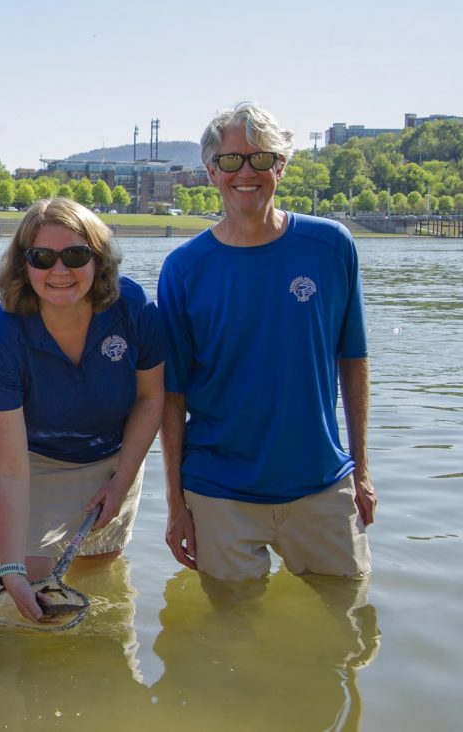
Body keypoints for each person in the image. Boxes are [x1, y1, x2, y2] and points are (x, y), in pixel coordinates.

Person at [157, 102, 375, 582]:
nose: (246, 172)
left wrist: (361, 470)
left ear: (281, 165)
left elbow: (353, 359)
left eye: (261, 158)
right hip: (219, 492)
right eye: (231, 161)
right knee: (228, 640)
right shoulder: (183, 269)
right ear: (212, 171)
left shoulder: (332, 246)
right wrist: (176, 503)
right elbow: (170, 395)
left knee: (347, 624)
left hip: (321, 484)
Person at [0, 197, 165, 621]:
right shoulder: (2, 333)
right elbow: (8, 466)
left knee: (102, 570)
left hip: (113, 457)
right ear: (24, 265)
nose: (59, 271)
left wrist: (121, 480)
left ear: (99, 259)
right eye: (42, 257)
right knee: (31, 590)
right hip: (30, 461)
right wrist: (10, 569)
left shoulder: (133, 307)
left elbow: (152, 398)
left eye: (76, 255)